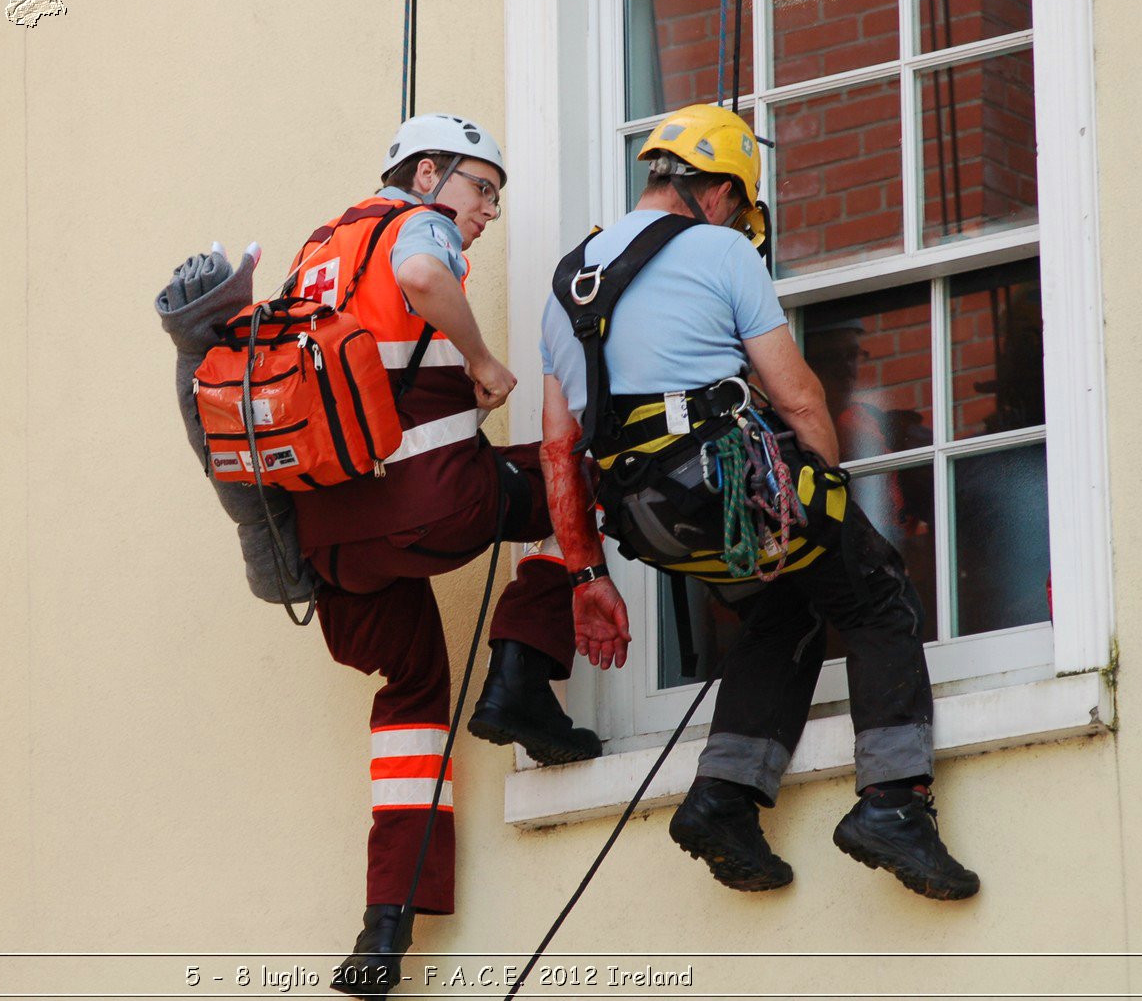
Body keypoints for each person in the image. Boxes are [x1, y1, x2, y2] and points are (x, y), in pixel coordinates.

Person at [538, 104, 980, 901]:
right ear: (717, 191)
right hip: (727, 488)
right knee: (877, 592)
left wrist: (585, 576)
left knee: (784, 613)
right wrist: (830, 499)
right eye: (740, 205)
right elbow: (800, 398)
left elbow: (556, 450)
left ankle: (724, 799)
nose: (742, 221)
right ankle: (894, 803)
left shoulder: (567, 285)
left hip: (646, 520)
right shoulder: (719, 251)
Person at [285, 113, 602, 999]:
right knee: (572, 481)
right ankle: (521, 676)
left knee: (414, 695)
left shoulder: (319, 248)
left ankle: (384, 928)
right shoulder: (412, 226)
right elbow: (424, 274)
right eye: (480, 187)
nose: (488, 210)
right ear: (426, 174)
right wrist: (482, 359)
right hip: (432, 502)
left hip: (334, 547)